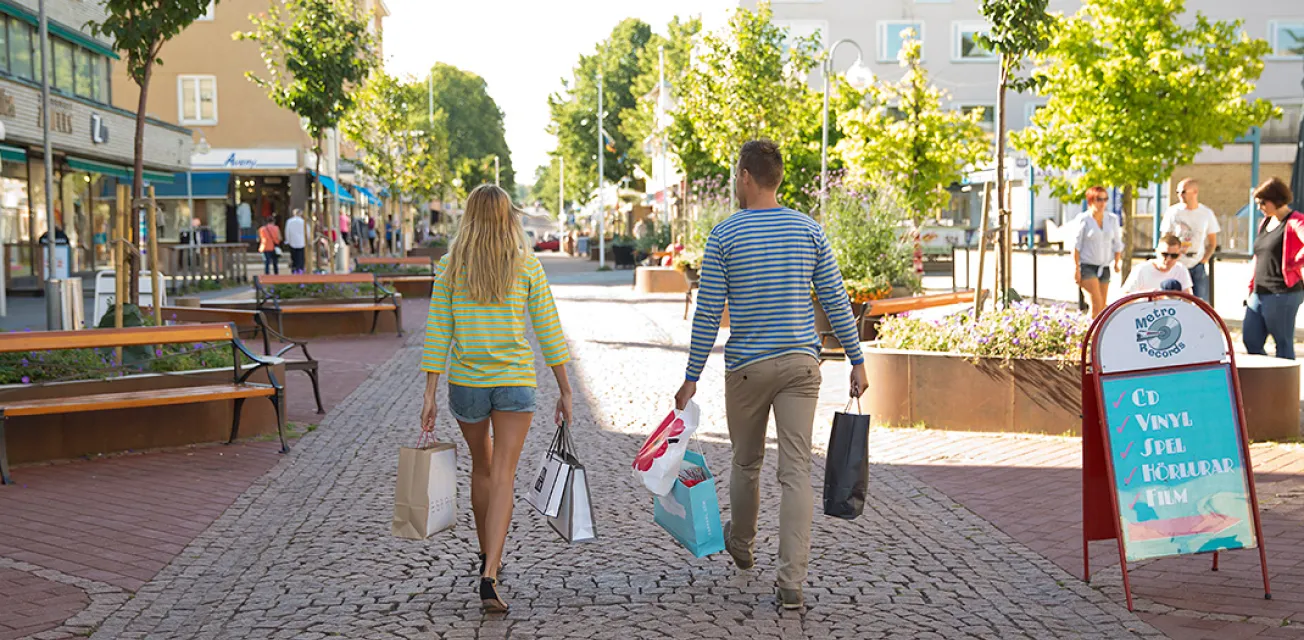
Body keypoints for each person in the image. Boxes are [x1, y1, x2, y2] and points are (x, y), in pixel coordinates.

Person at [673, 140, 866, 611]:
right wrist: (857, 360)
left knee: (746, 462)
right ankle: (791, 582)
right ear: (777, 178)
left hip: (747, 369)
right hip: (802, 366)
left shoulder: (725, 236)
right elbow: (837, 301)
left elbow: (708, 313)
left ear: (744, 176)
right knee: (796, 471)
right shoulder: (809, 231)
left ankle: (742, 544)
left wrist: (691, 375)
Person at [419, 184, 573, 613]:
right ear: (509, 217)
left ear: (468, 217)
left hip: (466, 382)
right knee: (504, 472)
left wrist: (430, 394)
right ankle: (491, 570)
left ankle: (486, 556)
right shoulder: (526, 265)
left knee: (482, 468)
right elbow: (548, 331)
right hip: (514, 381)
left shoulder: (451, 267)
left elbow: (437, 335)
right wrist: (565, 388)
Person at [1244, 177, 1304, 360]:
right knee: (1251, 339)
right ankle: (1266, 381)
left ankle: (1283, 387)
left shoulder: (1295, 221)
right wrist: (1250, 286)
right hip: (1259, 292)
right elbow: (1259, 256)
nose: (1259, 207)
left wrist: (1295, 262)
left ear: (1276, 199)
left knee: (1283, 343)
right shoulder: (1265, 223)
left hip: (1283, 293)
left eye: (1262, 202)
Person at [1160, 178, 1220, 302]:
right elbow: (1164, 239)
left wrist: (1204, 260)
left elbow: (1212, 242)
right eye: (1177, 192)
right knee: (1173, 300)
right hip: (1176, 262)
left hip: (1196, 264)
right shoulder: (1173, 212)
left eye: (1183, 192)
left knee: (1200, 302)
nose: (1180, 195)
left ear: (1195, 192)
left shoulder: (1206, 213)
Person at [1073, 186, 1123, 318]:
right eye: (1099, 199)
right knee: (1096, 305)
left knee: (1101, 308)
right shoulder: (1083, 219)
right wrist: (1076, 268)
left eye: (1105, 199)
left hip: (1105, 267)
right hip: (1087, 266)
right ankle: (1087, 336)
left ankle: (1094, 335)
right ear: (1090, 201)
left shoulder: (1112, 219)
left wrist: (1117, 262)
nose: (1102, 203)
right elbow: (1075, 246)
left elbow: (1117, 243)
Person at [1119, 234, 1193, 295]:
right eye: (1164, 254)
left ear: (1179, 255)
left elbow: (1188, 299)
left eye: (1174, 256)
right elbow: (1124, 296)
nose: (1168, 259)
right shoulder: (1141, 269)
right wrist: (1148, 294)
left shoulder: (1181, 269)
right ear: (1156, 252)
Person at [285, 208, 307, 274]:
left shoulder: (289, 221)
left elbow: (287, 231)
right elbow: (307, 232)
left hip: (292, 242)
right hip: (302, 242)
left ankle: (294, 270)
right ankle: (300, 269)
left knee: (294, 257)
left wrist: (288, 240)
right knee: (301, 258)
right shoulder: (303, 222)